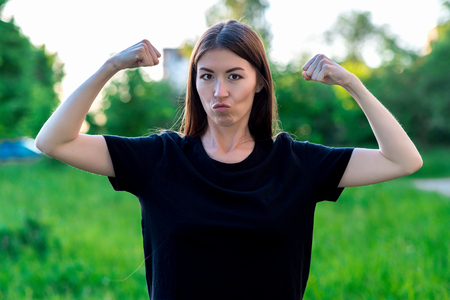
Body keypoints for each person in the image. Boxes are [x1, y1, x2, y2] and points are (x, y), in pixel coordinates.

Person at [35, 20, 422, 300]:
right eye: (207, 76)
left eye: (235, 76)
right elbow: (53, 141)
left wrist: (352, 83)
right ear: (194, 83)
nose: (219, 91)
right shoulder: (160, 158)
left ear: (260, 83)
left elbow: (403, 161)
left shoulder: (296, 164)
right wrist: (111, 66)